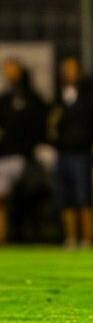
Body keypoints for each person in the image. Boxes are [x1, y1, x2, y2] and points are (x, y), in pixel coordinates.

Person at [48, 56, 93, 249]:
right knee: (65, 196)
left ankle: (87, 239)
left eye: (73, 69)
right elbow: (52, 120)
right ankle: (71, 237)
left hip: (82, 151)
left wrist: (91, 137)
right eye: (66, 70)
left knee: (84, 196)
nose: (70, 73)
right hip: (63, 151)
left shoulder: (91, 95)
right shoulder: (60, 95)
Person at [0, 59, 47, 244]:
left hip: (25, 157)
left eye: (14, 70)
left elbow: (38, 127)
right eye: (7, 70)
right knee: (2, 201)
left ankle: (28, 236)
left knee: (28, 199)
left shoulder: (32, 99)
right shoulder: (4, 101)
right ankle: (5, 238)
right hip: (4, 157)